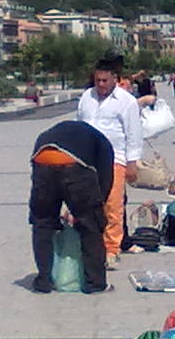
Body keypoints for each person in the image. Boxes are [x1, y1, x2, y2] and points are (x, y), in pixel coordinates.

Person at [28, 119, 114, 294]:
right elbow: (105, 180)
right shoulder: (104, 143)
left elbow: (37, 171)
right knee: (91, 224)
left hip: (41, 160)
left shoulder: (53, 131)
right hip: (74, 165)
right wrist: (97, 207)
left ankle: (43, 281)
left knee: (42, 222)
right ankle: (95, 283)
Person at [77, 55, 142, 269]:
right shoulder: (87, 97)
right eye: (97, 81)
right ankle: (91, 245)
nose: (101, 85)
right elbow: (80, 126)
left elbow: (133, 134)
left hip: (115, 158)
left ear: (115, 78)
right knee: (89, 204)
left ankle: (112, 248)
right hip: (88, 160)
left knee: (113, 205)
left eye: (105, 81)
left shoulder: (127, 102)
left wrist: (132, 163)